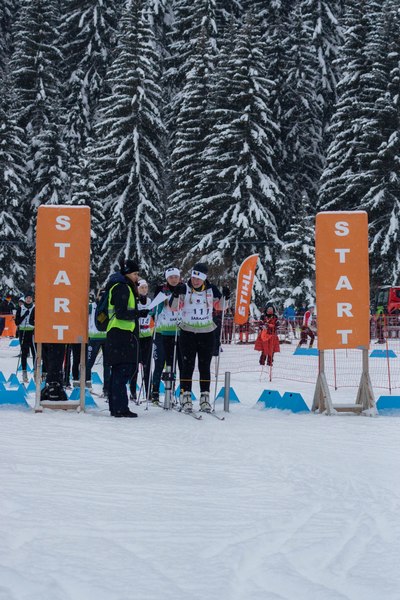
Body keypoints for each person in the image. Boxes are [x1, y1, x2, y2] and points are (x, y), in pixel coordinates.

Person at [169, 263, 230, 413]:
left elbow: (221, 307)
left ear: (204, 278)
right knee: (187, 366)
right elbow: (174, 307)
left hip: (206, 332)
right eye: (193, 277)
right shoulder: (184, 288)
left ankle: (205, 398)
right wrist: (175, 294)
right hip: (187, 332)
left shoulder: (211, 289)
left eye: (198, 278)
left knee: (204, 366)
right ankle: (185, 396)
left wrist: (226, 297)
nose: (195, 281)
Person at [105, 259, 149, 418]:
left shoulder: (123, 286)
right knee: (124, 369)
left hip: (119, 333)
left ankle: (116, 406)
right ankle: (120, 407)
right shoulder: (122, 287)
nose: (137, 277)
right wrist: (139, 313)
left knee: (119, 370)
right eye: (135, 274)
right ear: (127, 273)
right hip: (121, 333)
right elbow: (121, 313)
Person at [151, 267, 183, 405]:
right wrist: (158, 302)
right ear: (167, 279)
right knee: (159, 364)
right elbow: (153, 310)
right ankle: (155, 393)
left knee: (173, 365)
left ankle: (171, 393)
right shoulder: (162, 290)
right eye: (171, 277)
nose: (174, 279)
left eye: (176, 277)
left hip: (177, 333)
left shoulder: (183, 289)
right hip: (161, 333)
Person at [129, 279, 153, 401]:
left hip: (147, 337)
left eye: (145, 287)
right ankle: (133, 391)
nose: (144, 290)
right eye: (141, 287)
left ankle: (148, 392)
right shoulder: (134, 300)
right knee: (134, 366)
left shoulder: (150, 301)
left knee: (147, 366)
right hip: (136, 337)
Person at [85, 291, 110, 397]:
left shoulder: (109, 306)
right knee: (89, 362)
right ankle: (87, 384)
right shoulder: (92, 306)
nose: (102, 298)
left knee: (107, 364)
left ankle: (107, 388)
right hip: (94, 338)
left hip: (107, 338)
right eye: (101, 295)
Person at [15, 291, 36, 383]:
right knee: (24, 353)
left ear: (32, 299)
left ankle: (35, 372)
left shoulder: (35, 308)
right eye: (27, 298)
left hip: (32, 333)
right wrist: (24, 315)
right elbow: (17, 322)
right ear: (25, 299)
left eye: (30, 298)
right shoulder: (20, 308)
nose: (28, 299)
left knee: (35, 353)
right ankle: (24, 373)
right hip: (23, 332)